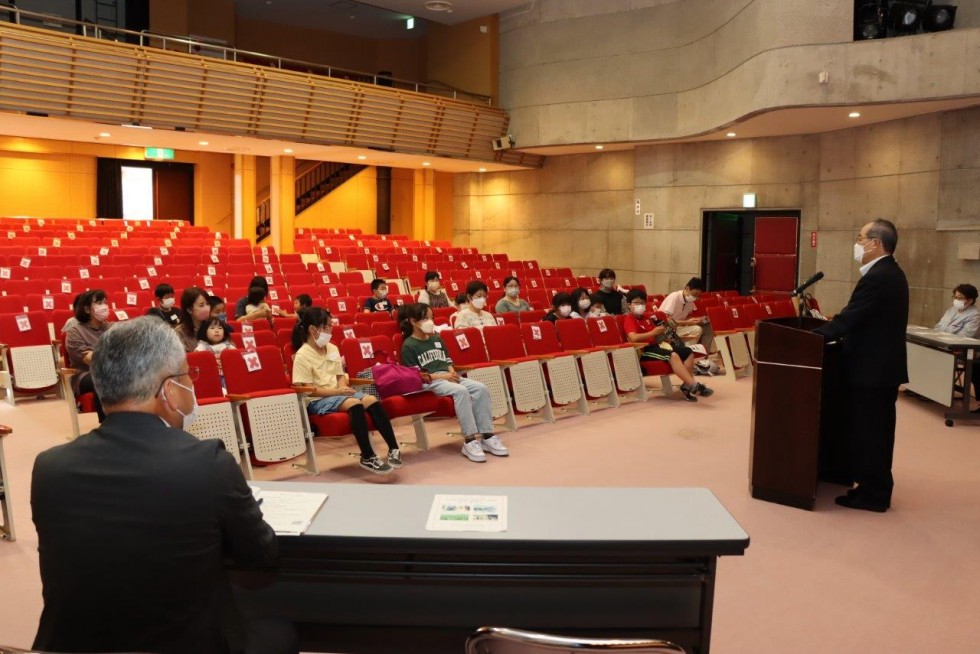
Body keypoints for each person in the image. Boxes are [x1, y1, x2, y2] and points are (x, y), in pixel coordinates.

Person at [31, 317, 292, 654]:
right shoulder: (207, 462)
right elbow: (260, 552)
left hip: (73, 646)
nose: (192, 386)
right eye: (188, 376)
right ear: (170, 390)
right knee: (279, 632)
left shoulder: (49, 467)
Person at [814, 219, 908, 513]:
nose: (857, 243)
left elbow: (852, 318)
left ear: (876, 243)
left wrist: (810, 336)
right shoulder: (888, 272)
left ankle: (873, 493)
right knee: (872, 430)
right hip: (876, 368)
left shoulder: (879, 276)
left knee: (871, 433)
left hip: (872, 371)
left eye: (860, 238)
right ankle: (868, 484)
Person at [291, 307, 399, 474]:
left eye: (330, 326)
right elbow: (307, 390)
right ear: (313, 329)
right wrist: (337, 392)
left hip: (337, 394)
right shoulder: (302, 355)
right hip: (317, 400)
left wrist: (342, 387)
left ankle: (393, 448)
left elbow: (340, 375)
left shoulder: (332, 348)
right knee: (355, 403)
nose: (330, 330)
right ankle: (368, 456)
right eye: (326, 327)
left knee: (371, 400)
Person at [399, 303, 508, 463]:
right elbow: (417, 376)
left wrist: (451, 373)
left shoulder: (436, 339)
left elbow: (448, 360)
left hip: (448, 376)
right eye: (425, 318)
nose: (430, 321)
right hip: (432, 381)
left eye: (431, 317)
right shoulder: (409, 345)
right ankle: (470, 440)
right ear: (413, 321)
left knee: (480, 388)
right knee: (461, 391)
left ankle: (487, 435)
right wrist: (444, 377)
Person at [623, 289, 712, 402]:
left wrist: (664, 334)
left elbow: (657, 334)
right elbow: (633, 338)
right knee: (673, 355)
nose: (640, 305)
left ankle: (686, 386)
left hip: (659, 346)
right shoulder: (629, 319)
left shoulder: (647, 318)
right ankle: (694, 385)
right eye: (636, 303)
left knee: (687, 352)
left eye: (642, 303)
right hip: (645, 350)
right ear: (629, 304)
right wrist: (653, 333)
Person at [64, 289, 112, 421]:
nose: (104, 306)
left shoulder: (112, 328)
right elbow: (90, 360)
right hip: (85, 375)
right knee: (103, 378)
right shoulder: (75, 332)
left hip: (112, 370)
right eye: (99, 303)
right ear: (86, 309)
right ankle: (107, 425)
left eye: (105, 302)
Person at [659, 277, 714, 350]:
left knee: (707, 325)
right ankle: (688, 352)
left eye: (698, 296)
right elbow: (667, 320)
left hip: (678, 327)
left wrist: (697, 319)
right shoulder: (674, 297)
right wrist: (687, 322)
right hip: (666, 329)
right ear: (687, 288)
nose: (696, 298)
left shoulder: (690, 302)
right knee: (697, 329)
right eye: (695, 294)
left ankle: (704, 356)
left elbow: (685, 318)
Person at [195, 317, 236, 386]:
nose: (217, 331)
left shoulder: (228, 345)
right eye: (212, 328)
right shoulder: (202, 346)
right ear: (204, 331)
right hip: (210, 377)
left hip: (228, 375)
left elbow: (237, 356)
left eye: (220, 328)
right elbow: (196, 360)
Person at [176, 286, 212, 352]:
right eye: (201, 305)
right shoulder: (179, 333)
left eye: (208, 304)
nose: (207, 308)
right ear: (189, 309)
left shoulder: (214, 326)